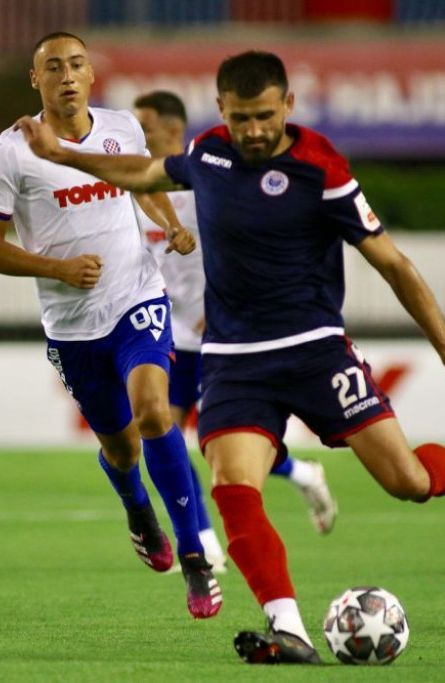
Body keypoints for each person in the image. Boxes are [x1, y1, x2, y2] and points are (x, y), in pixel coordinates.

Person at [18, 50, 445, 665]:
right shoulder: (209, 155)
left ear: (288, 105)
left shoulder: (321, 167)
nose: (253, 131)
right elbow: (146, 175)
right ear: (221, 110)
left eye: (264, 116)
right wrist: (60, 154)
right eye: (240, 118)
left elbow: (393, 264)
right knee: (232, 484)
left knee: (407, 482)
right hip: (235, 360)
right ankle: (290, 631)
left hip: (316, 352)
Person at [0, 32, 222, 619]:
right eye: (53, 67)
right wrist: (55, 268)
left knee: (156, 411)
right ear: (36, 80)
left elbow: (140, 185)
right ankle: (138, 509)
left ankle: (193, 553)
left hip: (137, 296)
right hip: (73, 326)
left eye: (77, 65)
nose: (67, 74)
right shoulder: (11, 151)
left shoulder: (122, 129)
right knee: (119, 445)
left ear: (90, 76)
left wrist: (168, 221)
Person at [133, 90, 338, 550]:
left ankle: (286, 480)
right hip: (167, 330)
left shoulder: (208, 180)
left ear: (172, 129)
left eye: (145, 127)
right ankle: (207, 536)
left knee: (215, 438)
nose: (137, 136)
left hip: (221, 333)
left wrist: (226, 306)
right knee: (164, 432)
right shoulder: (141, 188)